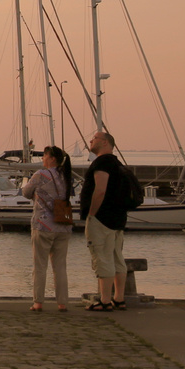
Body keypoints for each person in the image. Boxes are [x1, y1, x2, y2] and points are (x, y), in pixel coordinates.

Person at [81, 130, 129, 311]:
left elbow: (100, 190)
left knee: (102, 257)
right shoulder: (117, 163)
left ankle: (105, 300)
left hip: (102, 218)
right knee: (117, 257)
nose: (90, 141)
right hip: (117, 218)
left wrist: (92, 214)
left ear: (104, 143)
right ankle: (119, 298)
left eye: (94, 138)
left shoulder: (102, 163)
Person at [21, 145, 74, 311]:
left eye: (44, 156)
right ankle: (62, 303)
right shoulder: (66, 175)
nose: (42, 158)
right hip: (63, 225)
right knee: (60, 267)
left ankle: (38, 302)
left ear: (52, 158)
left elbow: (26, 192)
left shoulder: (40, 175)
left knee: (40, 265)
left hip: (43, 224)